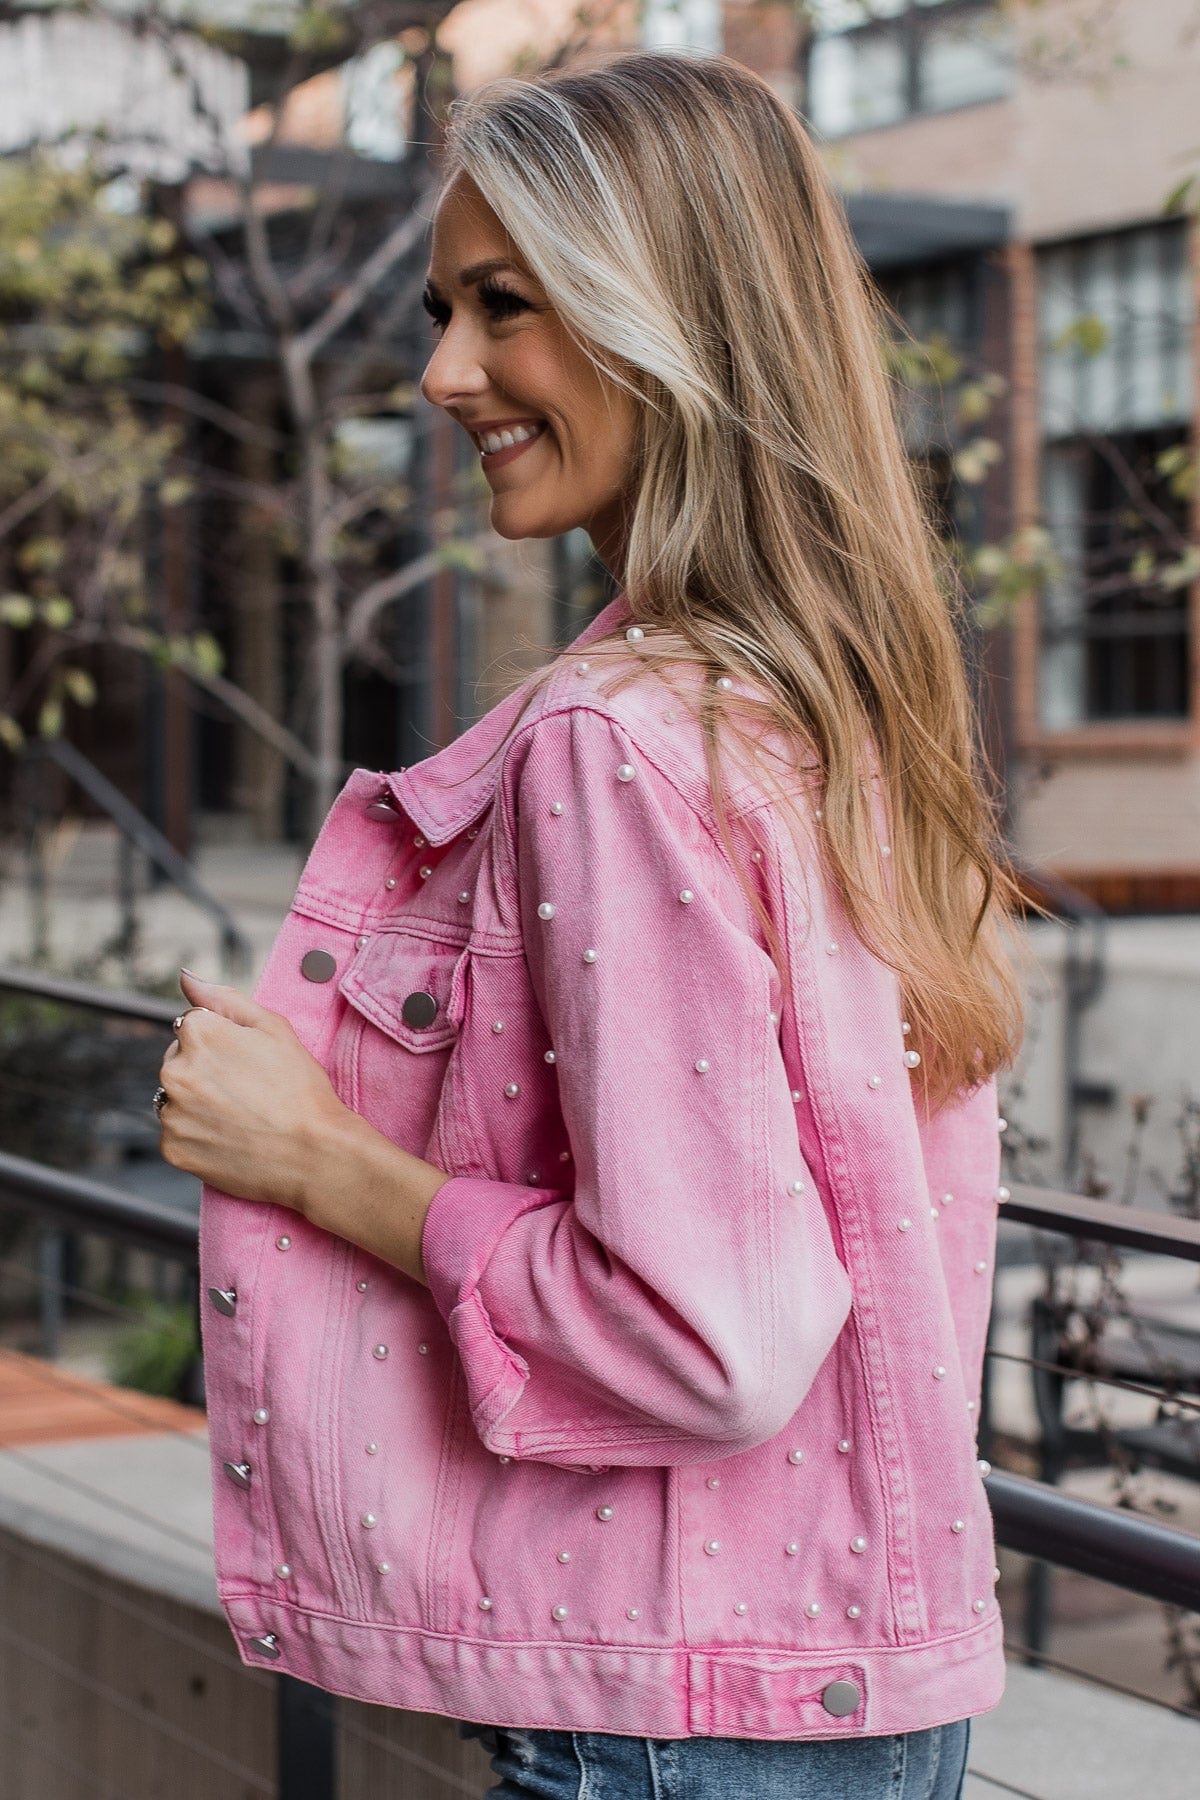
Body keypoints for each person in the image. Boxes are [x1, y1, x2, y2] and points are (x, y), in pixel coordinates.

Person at [156, 47, 1028, 1800]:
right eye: (441, 308)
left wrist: (316, 1158)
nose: (440, 370)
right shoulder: (830, 704)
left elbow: (705, 1334)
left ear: (666, 321)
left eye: (507, 307)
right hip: (844, 1687)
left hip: (682, 1732)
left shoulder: (618, 738)